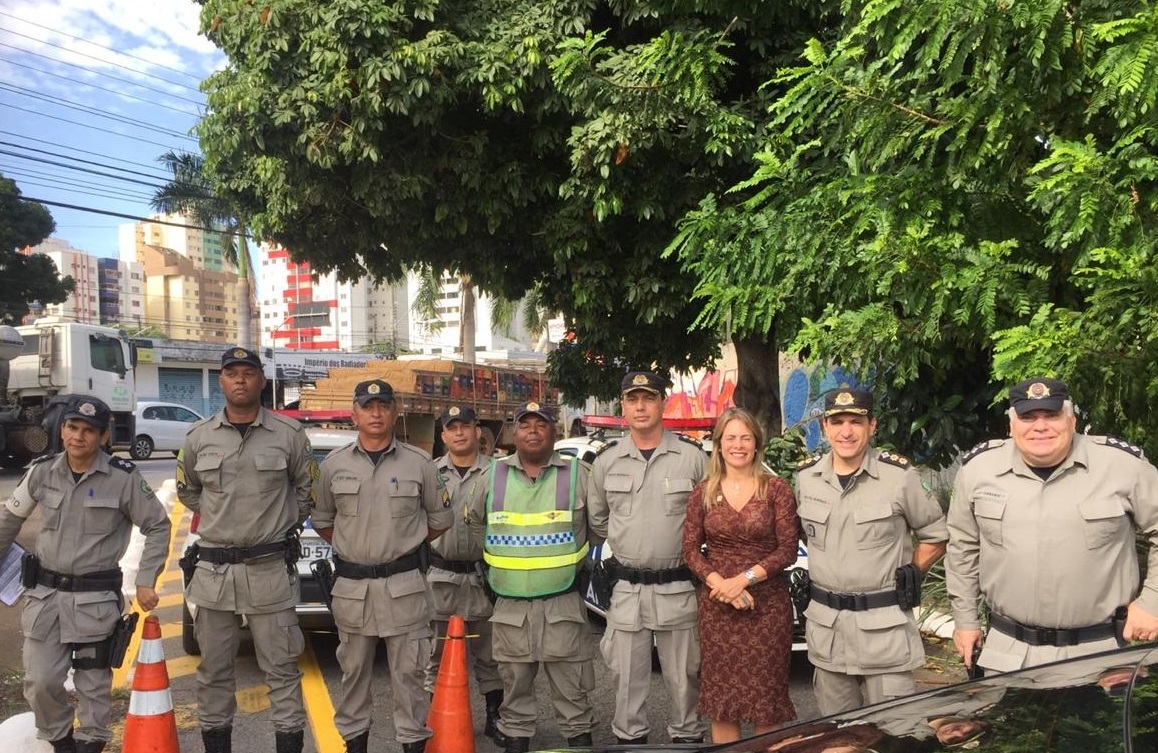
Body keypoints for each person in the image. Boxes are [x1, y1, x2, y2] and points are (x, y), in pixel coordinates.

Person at [947, 377, 1158, 674]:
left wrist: (1152, 603)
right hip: (1007, 654)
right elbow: (962, 549)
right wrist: (966, 621)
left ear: (1071, 420)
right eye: (1028, 417)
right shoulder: (978, 470)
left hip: (1102, 655)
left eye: (1051, 415)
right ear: (1011, 426)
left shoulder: (1123, 466)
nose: (1040, 426)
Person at [0, 395, 171, 753]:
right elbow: (9, 521)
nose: (79, 437)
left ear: (103, 436)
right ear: (62, 430)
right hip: (44, 598)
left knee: (94, 686)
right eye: (72, 427)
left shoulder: (123, 479)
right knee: (40, 681)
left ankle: (92, 744)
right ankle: (62, 743)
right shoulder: (42, 471)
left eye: (89, 431)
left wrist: (145, 580)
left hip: (95, 601)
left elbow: (157, 525)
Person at [177, 347, 319, 753]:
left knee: (282, 671)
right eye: (232, 373)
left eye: (248, 373)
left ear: (261, 380)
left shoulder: (289, 436)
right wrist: (222, 520)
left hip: (269, 569)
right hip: (214, 574)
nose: (240, 380)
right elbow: (188, 489)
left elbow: (308, 489)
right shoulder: (198, 437)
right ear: (222, 381)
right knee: (213, 672)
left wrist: (277, 524)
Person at [312, 379, 452, 753]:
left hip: (404, 586)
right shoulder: (334, 465)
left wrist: (401, 546)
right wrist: (358, 548)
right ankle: (355, 744)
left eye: (383, 405)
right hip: (353, 589)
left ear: (395, 412)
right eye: (368, 406)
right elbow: (323, 521)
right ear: (354, 413)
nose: (376, 413)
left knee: (409, 675)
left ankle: (411, 743)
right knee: (354, 674)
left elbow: (440, 518)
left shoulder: (420, 463)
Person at [796, 387, 948, 715]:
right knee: (839, 738)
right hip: (829, 630)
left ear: (872, 426)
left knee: (893, 734)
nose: (846, 432)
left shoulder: (899, 477)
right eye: (837, 422)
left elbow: (936, 535)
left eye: (856, 421)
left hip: (884, 631)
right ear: (825, 427)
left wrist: (911, 572)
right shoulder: (806, 478)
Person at [588, 370, 707, 745]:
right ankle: (630, 740)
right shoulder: (606, 462)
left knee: (686, 682)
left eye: (649, 398)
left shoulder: (692, 458)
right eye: (632, 399)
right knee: (625, 684)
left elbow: (709, 519)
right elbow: (598, 519)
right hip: (626, 591)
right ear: (623, 406)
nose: (640, 406)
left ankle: (687, 740)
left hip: (678, 587)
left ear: (663, 402)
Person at [471, 401, 596, 753]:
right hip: (510, 605)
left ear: (554, 431)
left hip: (563, 603)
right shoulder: (490, 476)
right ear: (514, 432)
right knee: (514, 697)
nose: (532, 430)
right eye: (524, 425)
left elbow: (596, 529)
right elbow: (475, 523)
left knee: (574, 696)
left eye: (540, 424)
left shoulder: (578, 476)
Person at [681, 407, 800, 743]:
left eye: (745, 437)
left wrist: (743, 579)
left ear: (756, 443)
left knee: (767, 701)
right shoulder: (703, 491)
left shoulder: (776, 490)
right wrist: (722, 585)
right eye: (730, 437)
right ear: (718, 444)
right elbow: (690, 550)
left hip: (767, 608)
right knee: (723, 703)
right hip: (718, 608)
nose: (738, 445)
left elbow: (787, 549)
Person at [423, 405, 503, 740]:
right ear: (443, 435)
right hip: (439, 576)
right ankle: (434, 720)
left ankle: (494, 718)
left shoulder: (498, 473)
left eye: (465, 426)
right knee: (435, 654)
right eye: (451, 427)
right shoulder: (429, 472)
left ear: (477, 432)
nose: (459, 433)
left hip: (484, 578)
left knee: (491, 653)